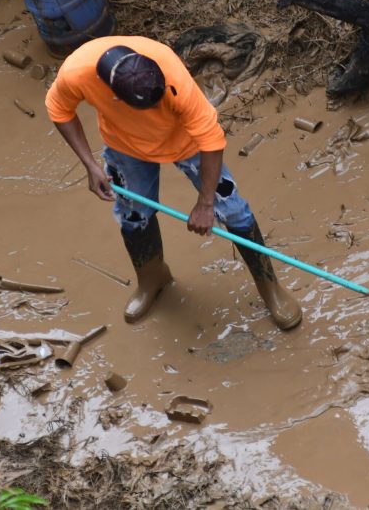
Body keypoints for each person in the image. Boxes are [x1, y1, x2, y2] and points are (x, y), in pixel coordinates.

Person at [45, 35, 302, 330]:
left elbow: (211, 140)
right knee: (133, 216)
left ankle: (270, 288)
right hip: (125, 145)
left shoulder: (171, 73)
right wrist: (89, 165)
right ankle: (153, 278)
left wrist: (206, 203)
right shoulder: (76, 71)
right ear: (114, 95)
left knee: (232, 210)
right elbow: (59, 110)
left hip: (186, 142)